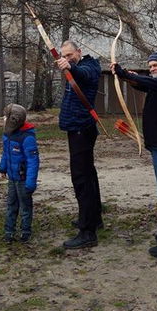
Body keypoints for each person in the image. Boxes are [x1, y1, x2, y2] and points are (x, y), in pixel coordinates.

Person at [111, 51, 157, 257]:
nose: (152, 69)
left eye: (156, 65)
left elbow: (155, 85)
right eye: (150, 66)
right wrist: (127, 77)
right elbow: (146, 85)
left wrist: (129, 75)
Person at [57, 41, 103, 250]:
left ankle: (87, 232)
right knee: (89, 174)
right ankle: (94, 218)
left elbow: (85, 74)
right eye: (64, 56)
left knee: (82, 178)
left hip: (81, 129)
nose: (68, 58)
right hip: (76, 128)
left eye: (70, 54)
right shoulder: (77, 67)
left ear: (79, 52)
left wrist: (71, 67)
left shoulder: (90, 66)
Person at [0, 104, 39, 243]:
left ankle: (25, 231)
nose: (3, 119)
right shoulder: (8, 135)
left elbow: (33, 161)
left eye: (5, 117)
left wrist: (30, 182)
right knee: (11, 205)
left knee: (25, 206)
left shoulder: (27, 137)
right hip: (12, 178)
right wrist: (3, 168)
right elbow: (5, 153)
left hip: (23, 180)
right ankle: (9, 231)